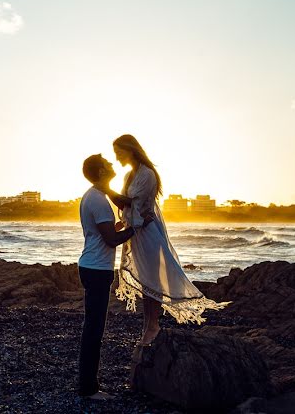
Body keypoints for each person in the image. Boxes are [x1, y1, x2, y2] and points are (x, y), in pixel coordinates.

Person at [107, 134, 227, 346]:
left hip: (148, 234)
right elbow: (126, 207)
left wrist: (105, 189)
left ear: (130, 149)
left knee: (151, 279)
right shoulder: (129, 176)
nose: (116, 158)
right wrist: (122, 220)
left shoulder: (148, 174)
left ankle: (153, 325)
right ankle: (148, 325)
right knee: (145, 281)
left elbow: (135, 203)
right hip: (135, 233)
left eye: (119, 152)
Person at [76, 154, 135, 400]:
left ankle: (87, 384)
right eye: (108, 164)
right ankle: (89, 389)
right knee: (94, 329)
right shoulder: (98, 200)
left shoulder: (93, 196)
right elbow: (110, 240)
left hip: (92, 267)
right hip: (97, 270)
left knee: (92, 327)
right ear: (100, 171)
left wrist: (121, 226)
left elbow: (105, 232)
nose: (112, 165)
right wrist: (138, 227)